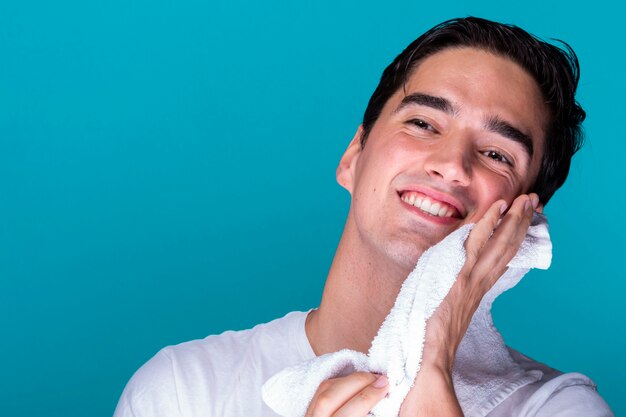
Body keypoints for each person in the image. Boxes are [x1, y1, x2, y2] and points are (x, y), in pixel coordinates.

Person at [114, 17, 614, 416]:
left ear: (523, 225)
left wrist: (431, 357)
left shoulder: (559, 408)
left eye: (498, 154)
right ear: (354, 154)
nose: (451, 164)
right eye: (422, 122)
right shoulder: (182, 392)